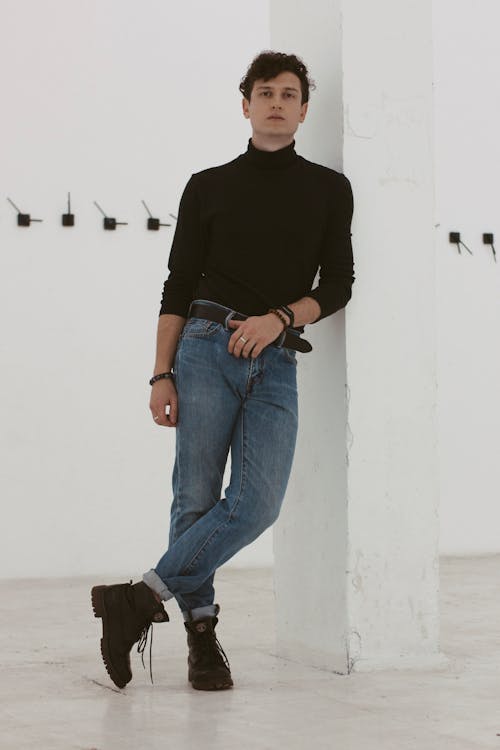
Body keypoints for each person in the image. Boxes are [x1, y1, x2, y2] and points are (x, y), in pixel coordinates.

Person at [91, 50, 354, 692]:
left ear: (303, 109)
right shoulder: (208, 185)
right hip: (206, 344)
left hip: (278, 354)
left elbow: (339, 284)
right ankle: (203, 638)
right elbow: (178, 285)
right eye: (265, 92)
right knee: (196, 496)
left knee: (257, 503)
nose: (276, 103)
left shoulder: (328, 188)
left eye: (289, 94)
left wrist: (280, 320)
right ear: (245, 104)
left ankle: (138, 598)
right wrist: (160, 373)